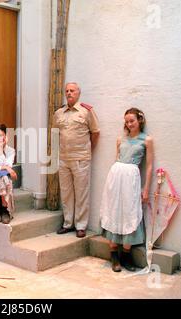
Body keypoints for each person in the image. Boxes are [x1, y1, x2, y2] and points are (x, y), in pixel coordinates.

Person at [99, 107, 154, 272]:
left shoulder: (147, 140)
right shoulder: (120, 139)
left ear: (139, 120)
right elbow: (116, 160)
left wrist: (146, 189)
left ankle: (126, 255)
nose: (129, 124)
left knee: (129, 211)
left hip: (132, 179)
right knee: (114, 210)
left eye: (132, 121)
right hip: (116, 178)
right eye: (127, 122)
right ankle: (114, 254)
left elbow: (149, 166)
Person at [53, 82, 100, 238]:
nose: (69, 93)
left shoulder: (86, 111)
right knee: (66, 192)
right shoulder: (59, 113)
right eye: (66, 91)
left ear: (78, 93)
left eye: (72, 90)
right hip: (64, 158)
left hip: (81, 158)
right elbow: (55, 133)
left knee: (81, 193)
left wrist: (87, 150)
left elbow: (95, 132)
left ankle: (81, 225)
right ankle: (68, 223)